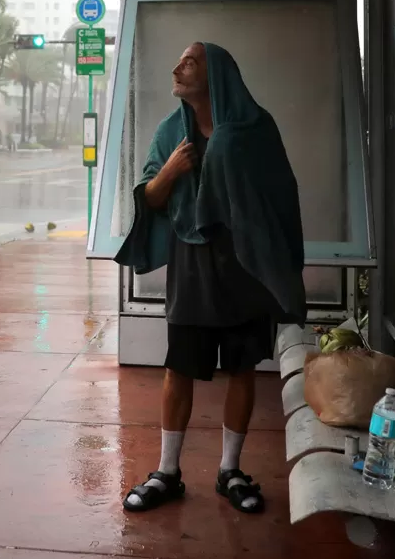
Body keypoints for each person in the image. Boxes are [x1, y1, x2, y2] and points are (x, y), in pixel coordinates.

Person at [115, 41, 306, 515]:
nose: (176, 68)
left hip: (245, 265)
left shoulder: (255, 129)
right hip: (192, 266)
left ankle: (230, 470)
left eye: (190, 62)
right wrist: (175, 170)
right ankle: (167, 472)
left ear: (216, 75)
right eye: (179, 60)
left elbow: (281, 193)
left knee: (242, 369)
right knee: (179, 368)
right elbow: (150, 197)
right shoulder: (169, 132)